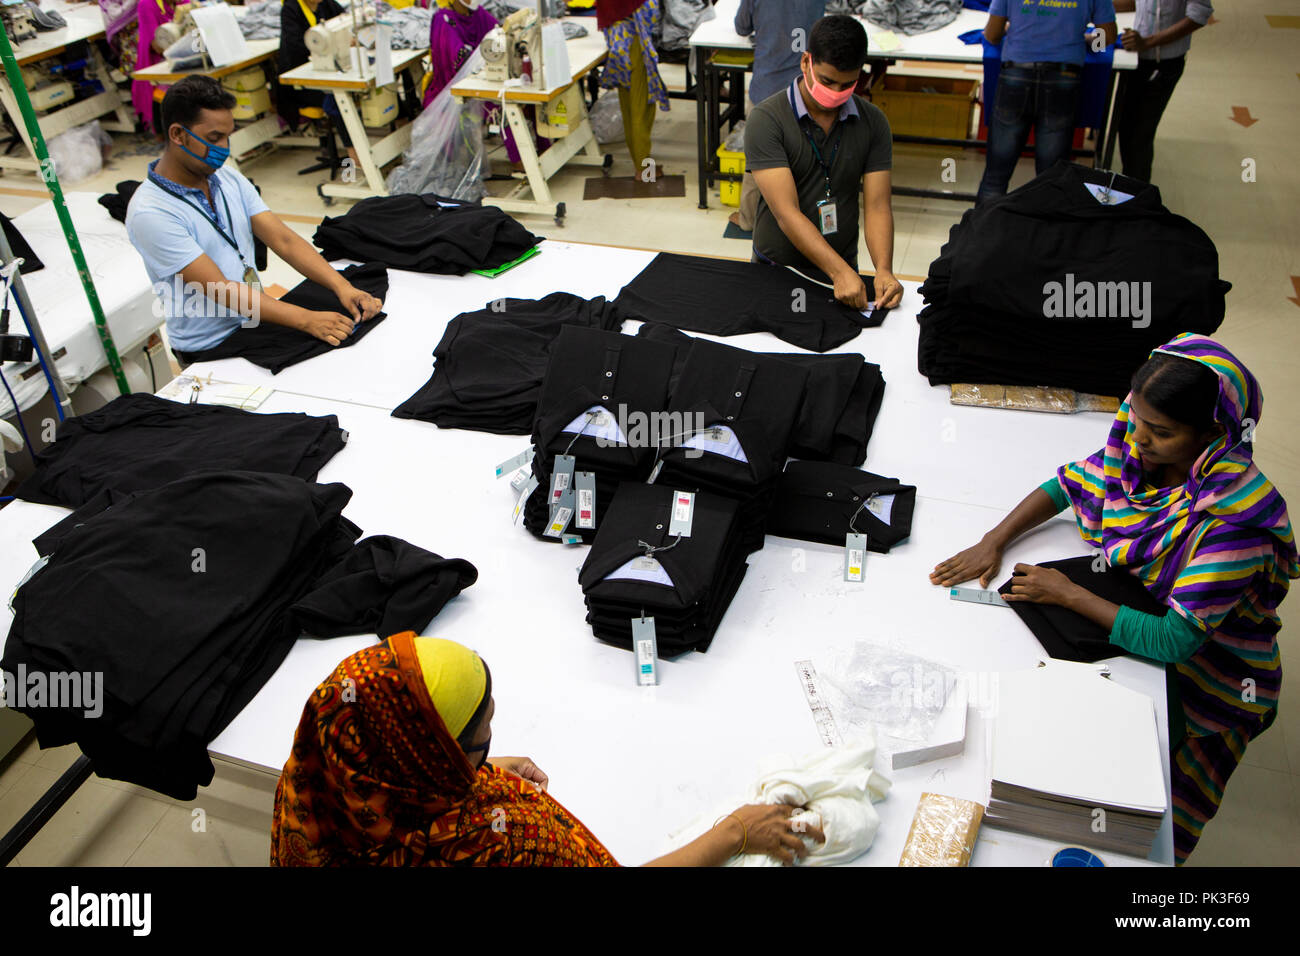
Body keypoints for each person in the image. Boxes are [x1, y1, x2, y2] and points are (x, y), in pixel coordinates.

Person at [931, 334, 1298, 864]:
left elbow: (1174, 641)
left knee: (1151, 818)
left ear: (1214, 433)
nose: (1138, 438)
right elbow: (1068, 483)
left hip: (1214, 677)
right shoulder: (1139, 444)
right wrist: (995, 539)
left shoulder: (1234, 522)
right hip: (1144, 612)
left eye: (1161, 432)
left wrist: (1069, 594)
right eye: (1136, 417)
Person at [271, 633, 824, 866]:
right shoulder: (494, 845)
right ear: (434, 758)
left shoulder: (319, 781)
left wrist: (471, 769)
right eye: (480, 733)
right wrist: (737, 833)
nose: (492, 737)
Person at [126, 76, 383, 363]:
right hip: (210, 347)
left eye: (228, 136)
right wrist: (307, 319)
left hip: (253, 322)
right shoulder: (151, 213)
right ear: (178, 134)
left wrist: (342, 287)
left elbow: (283, 240)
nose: (224, 148)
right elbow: (220, 289)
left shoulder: (226, 178)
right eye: (214, 139)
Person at [744, 15, 902, 311]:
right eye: (827, 81)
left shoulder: (873, 122)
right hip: (779, 270)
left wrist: (883, 269)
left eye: (848, 85)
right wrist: (839, 272)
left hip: (843, 266)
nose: (835, 93)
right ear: (806, 62)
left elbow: (878, 206)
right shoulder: (767, 120)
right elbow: (786, 213)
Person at [978, 0, 1117, 202]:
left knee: (995, 177)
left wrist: (1016, 28)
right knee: (1050, 180)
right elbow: (1107, 38)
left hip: (1016, 74)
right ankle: (1044, 233)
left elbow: (991, 35)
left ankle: (982, 232)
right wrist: (1083, 37)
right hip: (1063, 78)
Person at [732, 0, 827, 232]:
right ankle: (802, 217)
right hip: (805, 90)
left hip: (767, 88)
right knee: (805, 155)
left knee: (758, 160)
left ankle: (749, 218)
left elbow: (741, 27)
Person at [424, 0, 543, 168]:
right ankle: (521, 161)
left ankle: (544, 150)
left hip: (480, 77)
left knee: (533, 99)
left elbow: (501, 34)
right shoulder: (443, 20)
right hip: (454, 87)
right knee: (503, 104)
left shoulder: (478, 14)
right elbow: (458, 61)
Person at [1113, 0, 1213, 183]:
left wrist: (1147, 42)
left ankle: (1137, 201)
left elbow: (1199, 14)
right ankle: (1130, 191)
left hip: (1162, 64)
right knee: (1126, 127)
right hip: (1139, 59)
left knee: (1138, 136)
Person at [277, 0, 357, 164]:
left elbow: (347, 21)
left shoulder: (327, 4)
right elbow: (297, 46)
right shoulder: (291, 9)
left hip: (327, 72)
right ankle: (354, 154)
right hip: (301, 84)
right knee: (339, 98)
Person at [596, 0, 670, 173]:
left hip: (617, 42)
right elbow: (651, 12)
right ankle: (644, 171)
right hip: (634, 41)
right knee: (641, 107)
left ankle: (640, 162)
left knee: (628, 106)